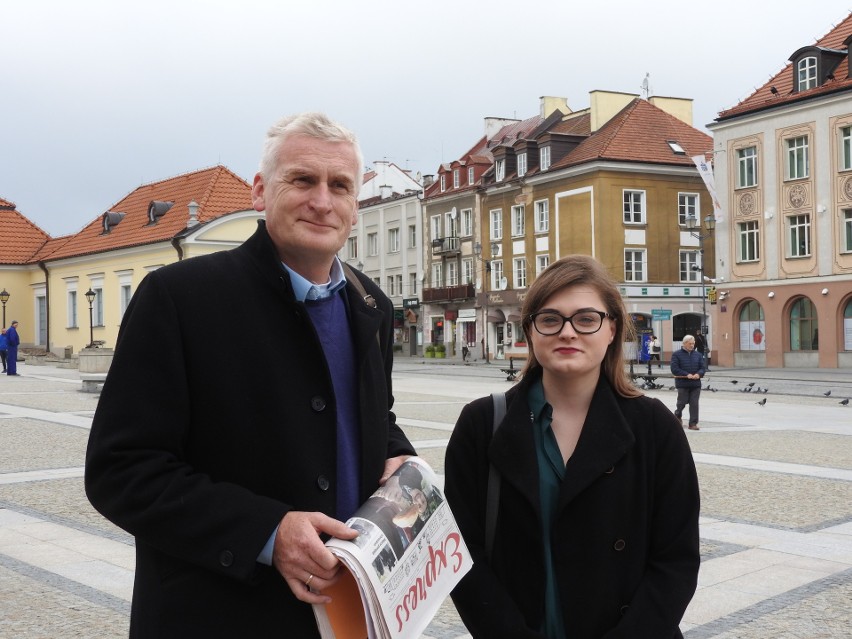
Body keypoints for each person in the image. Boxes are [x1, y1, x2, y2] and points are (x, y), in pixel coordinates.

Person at [85, 112, 416, 638]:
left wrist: (399, 458)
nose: (323, 201)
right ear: (260, 191)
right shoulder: (179, 299)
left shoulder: (369, 302)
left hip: (347, 615)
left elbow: (370, 415)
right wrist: (268, 532)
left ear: (356, 205)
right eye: (302, 180)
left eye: (340, 186)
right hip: (221, 614)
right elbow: (121, 471)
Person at [445, 255, 700, 639]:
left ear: (611, 329)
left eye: (586, 319)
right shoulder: (482, 424)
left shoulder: (655, 428)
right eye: (550, 319)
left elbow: (675, 560)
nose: (568, 332)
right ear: (530, 330)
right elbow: (462, 555)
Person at [671, 334, 705, 430]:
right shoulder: (676, 354)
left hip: (695, 384)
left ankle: (693, 423)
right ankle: (677, 415)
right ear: (685, 343)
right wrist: (686, 374)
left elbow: (702, 368)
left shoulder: (698, 355)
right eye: (690, 344)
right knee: (682, 402)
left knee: (694, 403)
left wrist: (699, 374)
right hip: (683, 383)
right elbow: (674, 369)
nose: (692, 345)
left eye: (693, 344)